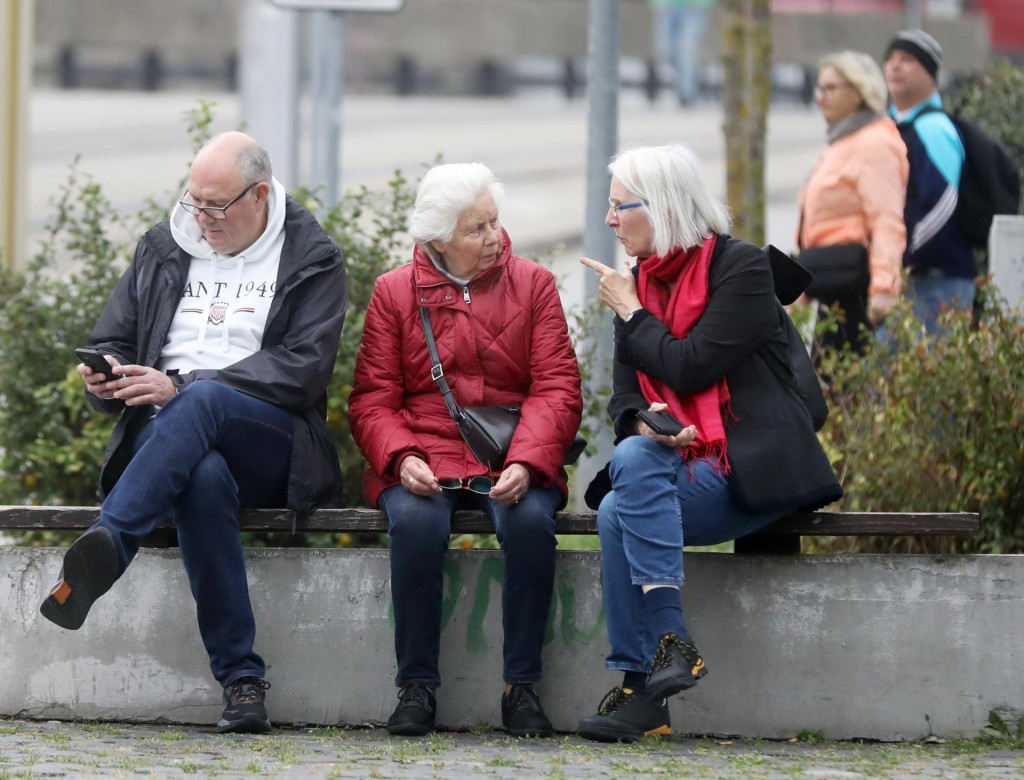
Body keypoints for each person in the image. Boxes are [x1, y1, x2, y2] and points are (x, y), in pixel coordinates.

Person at [38, 131, 349, 734]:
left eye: (216, 206)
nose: (202, 218)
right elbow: (113, 338)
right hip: (167, 443)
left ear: (259, 195)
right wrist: (105, 377)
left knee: (202, 399)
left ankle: (113, 540)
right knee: (202, 478)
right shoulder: (163, 246)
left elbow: (304, 369)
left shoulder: (311, 255)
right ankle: (241, 683)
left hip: (270, 439)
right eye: (194, 202)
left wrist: (183, 384)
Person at [577, 144, 842, 743]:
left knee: (620, 506)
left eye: (620, 207)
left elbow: (692, 364)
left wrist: (633, 314)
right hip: (675, 468)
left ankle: (642, 687)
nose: (610, 220)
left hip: (751, 467)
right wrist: (644, 424)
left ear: (663, 206)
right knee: (626, 478)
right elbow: (624, 398)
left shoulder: (741, 270)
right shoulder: (636, 284)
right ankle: (669, 654)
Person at [348, 162, 582, 738]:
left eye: (494, 221)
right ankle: (416, 687)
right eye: (477, 229)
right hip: (424, 450)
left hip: (511, 448)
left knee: (530, 523)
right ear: (438, 240)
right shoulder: (394, 292)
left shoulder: (534, 284)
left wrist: (527, 461)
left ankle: (521, 687)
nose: (494, 236)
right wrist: (402, 457)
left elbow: (557, 388)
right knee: (415, 523)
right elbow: (373, 399)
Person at [797, 50, 908, 352]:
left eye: (830, 89)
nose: (820, 97)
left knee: (842, 377)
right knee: (825, 375)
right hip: (830, 281)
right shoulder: (843, 141)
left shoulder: (875, 142)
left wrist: (884, 287)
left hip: (857, 287)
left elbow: (887, 219)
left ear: (860, 92)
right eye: (819, 88)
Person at [884, 29, 973, 332]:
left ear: (930, 72)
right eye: (890, 58)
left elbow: (942, 203)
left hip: (937, 281)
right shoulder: (892, 126)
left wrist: (906, 261)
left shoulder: (934, 128)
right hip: (912, 279)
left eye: (907, 59)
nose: (895, 66)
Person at [649, 0, 715, 106]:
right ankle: (691, 76)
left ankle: (686, 94)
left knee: (686, 50)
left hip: (692, 10)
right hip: (668, 8)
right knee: (665, 51)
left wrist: (702, 3)